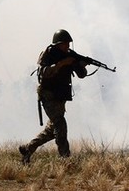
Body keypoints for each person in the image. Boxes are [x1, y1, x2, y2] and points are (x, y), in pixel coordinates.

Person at [19, 29, 88, 164]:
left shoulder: (70, 55)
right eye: (64, 44)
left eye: (68, 44)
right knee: (60, 124)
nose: (67, 46)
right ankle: (65, 159)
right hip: (48, 95)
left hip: (60, 97)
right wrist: (61, 64)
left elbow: (81, 74)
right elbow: (43, 72)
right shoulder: (48, 54)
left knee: (51, 131)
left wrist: (80, 65)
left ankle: (28, 149)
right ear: (57, 44)